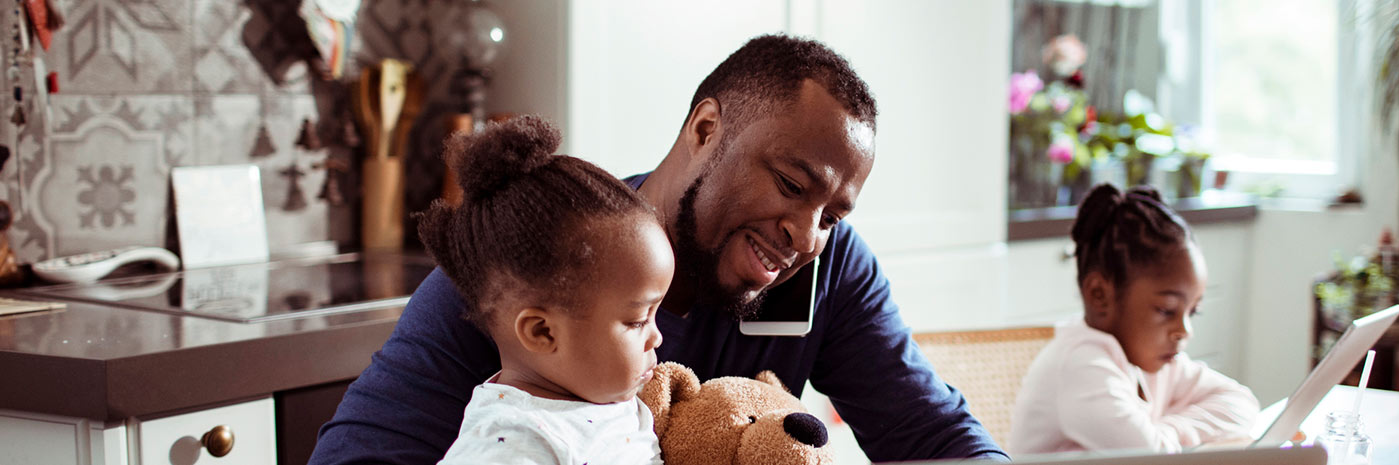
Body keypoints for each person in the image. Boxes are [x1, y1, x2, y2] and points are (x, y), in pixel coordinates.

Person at [310, 34, 1007, 464]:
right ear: (706, 128)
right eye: (792, 184)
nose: (807, 235)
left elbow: (934, 435)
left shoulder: (831, 269)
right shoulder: (532, 263)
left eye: (833, 213)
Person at [421, 116, 671, 464]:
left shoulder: (608, 398)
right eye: (637, 321)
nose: (656, 337)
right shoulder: (511, 445)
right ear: (543, 332)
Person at [1009, 184, 1258, 454]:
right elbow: (1152, 456)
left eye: (1192, 312)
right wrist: (1168, 437)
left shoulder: (1152, 360)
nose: (1184, 331)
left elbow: (1242, 403)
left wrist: (1170, 430)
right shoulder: (1080, 365)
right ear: (1099, 294)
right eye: (1166, 310)